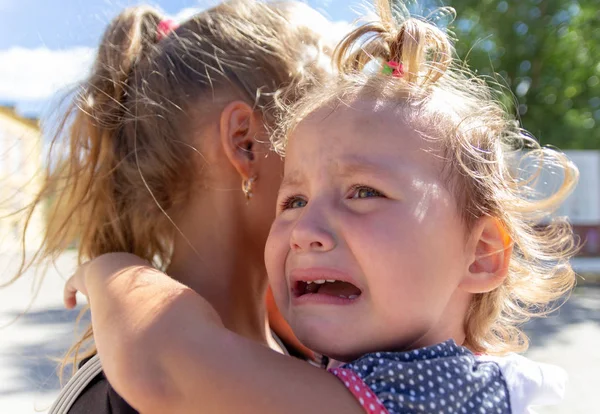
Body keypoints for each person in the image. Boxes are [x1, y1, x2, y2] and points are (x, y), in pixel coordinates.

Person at [64, 0, 579, 413]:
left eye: (363, 191)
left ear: (482, 253)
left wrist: (114, 271)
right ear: (247, 145)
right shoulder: (117, 395)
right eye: (296, 197)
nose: (307, 229)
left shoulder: (404, 389)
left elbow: (167, 368)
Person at [5, 1, 337, 413]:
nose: (354, 157)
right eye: (327, 124)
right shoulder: (128, 394)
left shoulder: (315, 364)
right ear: (245, 142)